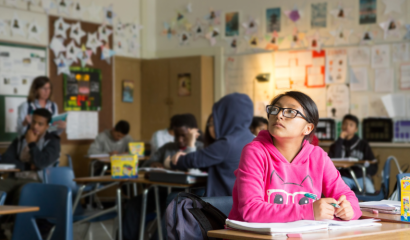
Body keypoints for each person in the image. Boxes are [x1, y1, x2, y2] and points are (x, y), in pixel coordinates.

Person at [228, 91, 361, 223]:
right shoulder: (255, 151)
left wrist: (350, 209)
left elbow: (347, 196)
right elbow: (251, 210)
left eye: (291, 112)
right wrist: (308, 211)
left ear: (308, 128)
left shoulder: (318, 156)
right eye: (275, 109)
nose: (279, 115)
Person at [123, 114, 204, 240]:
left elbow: (197, 169)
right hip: (160, 191)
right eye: (176, 135)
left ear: (194, 132)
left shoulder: (201, 148)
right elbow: (146, 164)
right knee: (133, 205)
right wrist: (155, 164)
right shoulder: (168, 147)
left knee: (169, 210)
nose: (180, 139)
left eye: (184, 135)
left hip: (183, 194)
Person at [171, 93, 255, 197]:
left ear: (226, 116)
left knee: (175, 199)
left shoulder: (227, 144)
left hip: (221, 206)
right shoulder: (254, 140)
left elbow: (193, 160)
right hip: (244, 204)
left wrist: (172, 161)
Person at [0, 109, 60, 203]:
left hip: (37, 181)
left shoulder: (52, 142)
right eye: (33, 122)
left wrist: (31, 143)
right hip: (15, 178)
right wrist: (27, 166)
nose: (35, 126)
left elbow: (41, 163)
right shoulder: (20, 140)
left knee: (22, 193)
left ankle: (12, 218)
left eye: (40, 124)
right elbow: (5, 160)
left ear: (47, 126)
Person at [328, 114, 377, 194]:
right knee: (341, 193)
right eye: (345, 124)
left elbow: (373, 165)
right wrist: (340, 140)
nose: (347, 127)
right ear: (342, 126)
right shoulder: (336, 145)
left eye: (351, 125)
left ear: (356, 129)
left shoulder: (363, 144)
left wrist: (364, 171)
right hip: (344, 177)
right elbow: (332, 162)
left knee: (371, 192)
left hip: (361, 177)